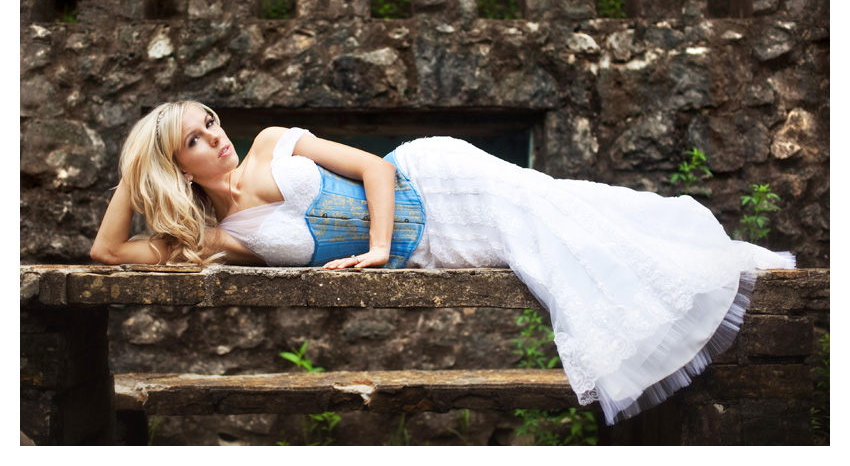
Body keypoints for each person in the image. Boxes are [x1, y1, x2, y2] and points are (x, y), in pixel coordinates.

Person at [91, 100, 795, 425]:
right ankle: (718, 263)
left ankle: (729, 263)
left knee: (562, 214)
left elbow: (372, 167)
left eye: (210, 122)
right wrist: (134, 174)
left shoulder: (274, 142)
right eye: (193, 140)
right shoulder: (220, 236)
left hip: (431, 178)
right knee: (564, 222)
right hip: (431, 247)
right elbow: (109, 251)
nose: (216, 138)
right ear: (173, 165)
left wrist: (373, 249)